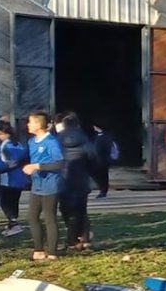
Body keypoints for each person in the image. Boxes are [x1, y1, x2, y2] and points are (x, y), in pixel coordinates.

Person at [20, 111, 63, 261]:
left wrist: (38, 166)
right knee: (32, 216)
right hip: (36, 184)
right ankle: (38, 250)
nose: (28, 125)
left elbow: (59, 163)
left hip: (50, 184)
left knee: (49, 217)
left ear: (38, 125)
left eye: (30, 122)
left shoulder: (51, 142)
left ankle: (52, 252)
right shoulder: (32, 141)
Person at [57, 113, 95, 251]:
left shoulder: (58, 139)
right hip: (81, 180)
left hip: (63, 178)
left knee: (66, 210)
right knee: (81, 210)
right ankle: (84, 238)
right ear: (77, 125)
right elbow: (93, 158)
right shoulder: (85, 140)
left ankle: (72, 240)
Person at [0, 122, 29, 238]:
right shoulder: (18, 144)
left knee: (5, 203)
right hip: (20, 178)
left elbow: (8, 162)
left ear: (3, 134)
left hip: (8, 179)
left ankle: (14, 223)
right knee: (14, 202)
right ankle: (12, 224)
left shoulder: (5, 146)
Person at [92, 125, 118, 198]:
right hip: (105, 159)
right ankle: (103, 191)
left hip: (100, 159)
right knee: (104, 175)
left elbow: (98, 149)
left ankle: (103, 191)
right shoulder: (107, 136)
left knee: (100, 176)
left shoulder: (101, 137)